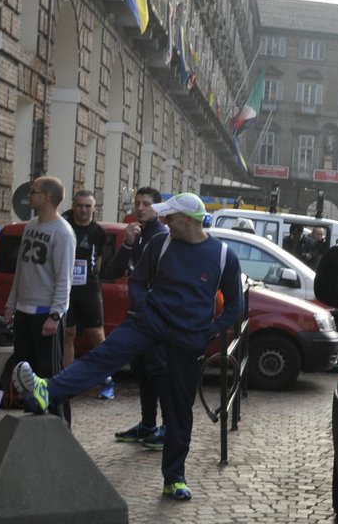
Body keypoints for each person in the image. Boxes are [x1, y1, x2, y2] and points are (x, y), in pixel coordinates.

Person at [13, 193, 242, 502]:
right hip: (148, 323)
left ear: (188, 221)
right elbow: (137, 282)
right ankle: (47, 391)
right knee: (101, 357)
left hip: (189, 339)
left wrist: (207, 333)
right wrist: (146, 308)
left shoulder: (224, 255)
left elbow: (234, 307)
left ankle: (174, 478)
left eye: (170, 216)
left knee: (178, 410)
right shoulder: (160, 244)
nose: (164, 220)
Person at [3, 176, 75, 422]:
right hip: (24, 310)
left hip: (46, 312)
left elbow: (64, 277)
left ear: (47, 198)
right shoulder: (31, 225)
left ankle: (60, 423)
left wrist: (56, 314)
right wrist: (12, 303)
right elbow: (21, 269)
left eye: (33, 192)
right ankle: (32, 419)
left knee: (50, 372)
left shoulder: (63, 232)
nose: (29, 195)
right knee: (25, 370)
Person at [105, 187, 168, 448]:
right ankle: (147, 423)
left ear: (158, 209)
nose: (140, 208)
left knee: (159, 373)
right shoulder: (135, 233)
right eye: (138, 203)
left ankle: (167, 427)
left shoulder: (162, 236)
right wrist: (128, 244)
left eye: (147, 204)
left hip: (155, 316)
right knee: (142, 372)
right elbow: (113, 271)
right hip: (136, 315)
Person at [62, 190, 115, 398]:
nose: (83, 210)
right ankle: (66, 380)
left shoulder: (98, 232)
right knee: (68, 334)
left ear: (94, 208)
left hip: (89, 288)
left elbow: (99, 261)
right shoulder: (65, 225)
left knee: (97, 335)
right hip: (66, 288)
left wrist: (92, 278)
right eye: (79, 205)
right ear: (73, 206)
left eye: (87, 206)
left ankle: (107, 379)